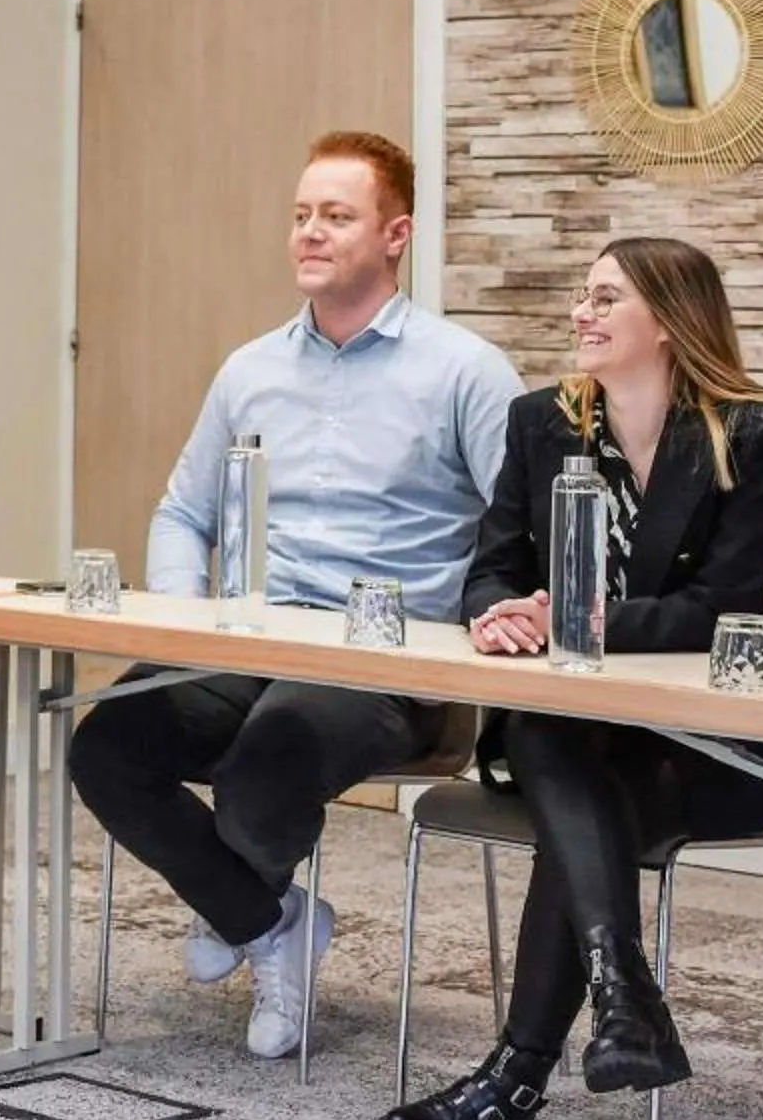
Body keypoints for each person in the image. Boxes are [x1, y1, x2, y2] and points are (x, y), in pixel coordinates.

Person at [67, 133, 520, 1060]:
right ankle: (267, 917)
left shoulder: (464, 371)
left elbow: (520, 527)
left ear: (395, 235)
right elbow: (182, 511)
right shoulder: (251, 369)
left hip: (380, 662)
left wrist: (491, 619)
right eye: (302, 215)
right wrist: (188, 620)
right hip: (246, 639)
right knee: (109, 745)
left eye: (336, 216)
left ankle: (235, 900)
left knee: (263, 770)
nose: (310, 232)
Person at [379, 236, 763, 1120]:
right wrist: (498, 614)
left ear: (669, 319)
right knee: (562, 759)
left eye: (607, 297)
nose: (582, 311)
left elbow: (721, 606)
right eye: (583, 295)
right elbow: (492, 563)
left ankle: (521, 1080)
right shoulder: (544, 422)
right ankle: (616, 1011)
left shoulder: (759, 432)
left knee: (574, 801)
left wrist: (578, 619)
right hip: (588, 734)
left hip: (722, 741)